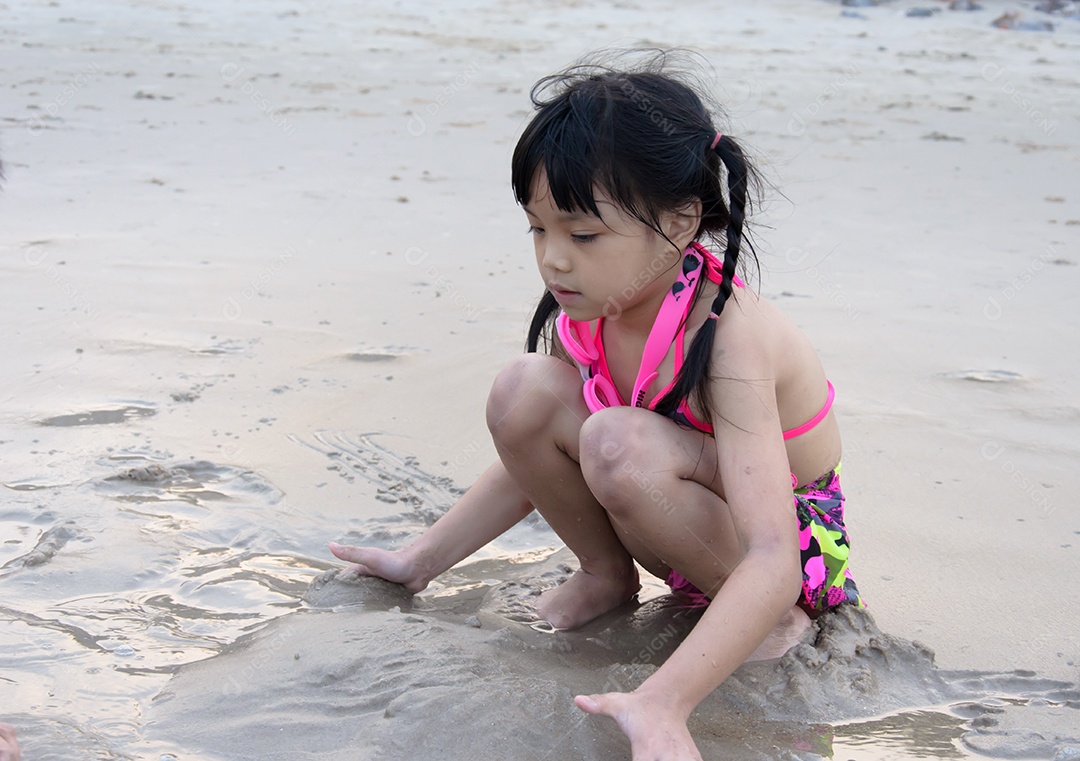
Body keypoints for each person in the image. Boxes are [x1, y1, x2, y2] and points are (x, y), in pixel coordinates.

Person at [330, 50, 862, 761]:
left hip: (790, 553)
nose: (554, 260)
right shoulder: (589, 308)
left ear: (680, 220)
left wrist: (665, 702)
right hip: (674, 505)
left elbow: (774, 554)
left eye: (582, 235)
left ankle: (767, 629)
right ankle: (606, 578)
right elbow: (532, 449)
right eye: (538, 230)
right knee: (523, 390)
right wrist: (422, 558)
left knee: (617, 441)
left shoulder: (731, 335)